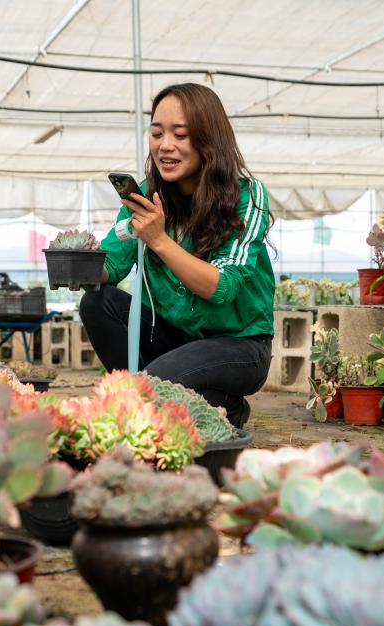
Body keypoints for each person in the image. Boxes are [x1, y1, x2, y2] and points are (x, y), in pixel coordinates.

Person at [80, 82, 274, 429]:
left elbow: (222, 287)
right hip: (178, 338)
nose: (164, 145)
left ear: (207, 140)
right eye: (157, 133)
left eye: (180, 135)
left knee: (152, 384)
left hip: (240, 345)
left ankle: (222, 405)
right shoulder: (147, 197)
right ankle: (186, 402)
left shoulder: (246, 196)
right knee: (98, 302)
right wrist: (78, 265)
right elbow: (112, 263)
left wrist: (158, 240)